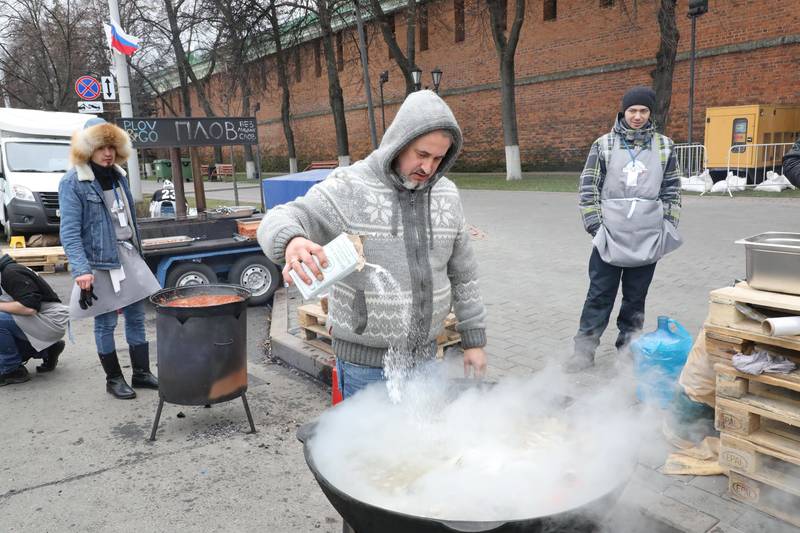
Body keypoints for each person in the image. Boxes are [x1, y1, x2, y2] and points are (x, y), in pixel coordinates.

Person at [258, 90, 487, 398]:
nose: (429, 168)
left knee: (423, 444)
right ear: (399, 142)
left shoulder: (446, 195)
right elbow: (281, 216)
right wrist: (292, 241)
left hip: (426, 358)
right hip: (364, 367)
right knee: (367, 447)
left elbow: (464, 274)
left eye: (438, 158)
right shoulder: (351, 186)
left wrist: (473, 341)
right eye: (422, 154)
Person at [564, 86, 683, 373]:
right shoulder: (603, 144)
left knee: (635, 298)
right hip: (610, 234)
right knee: (599, 294)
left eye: (643, 111)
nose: (638, 116)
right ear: (623, 111)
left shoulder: (665, 146)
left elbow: (672, 189)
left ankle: (628, 349)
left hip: (647, 235)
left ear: (650, 113)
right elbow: (588, 186)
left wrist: (667, 225)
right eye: (633, 110)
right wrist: (595, 225)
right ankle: (584, 350)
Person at [59, 118, 161, 399]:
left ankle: (141, 373)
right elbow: (68, 232)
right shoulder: (73, 182)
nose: (107, 153)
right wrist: (81, 270)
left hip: (127, 255)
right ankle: (113, 379)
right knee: (105, 323)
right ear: (87, 149)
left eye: (112, 147)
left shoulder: (118, 176)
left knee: (137, 318)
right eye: (101, 147)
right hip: (98, 263)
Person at [0, 254, 68, 385]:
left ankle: (11, 370)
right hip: (39, 320)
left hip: (51, 321)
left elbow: (30, 308)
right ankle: (47, 350)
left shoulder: (11, 273)